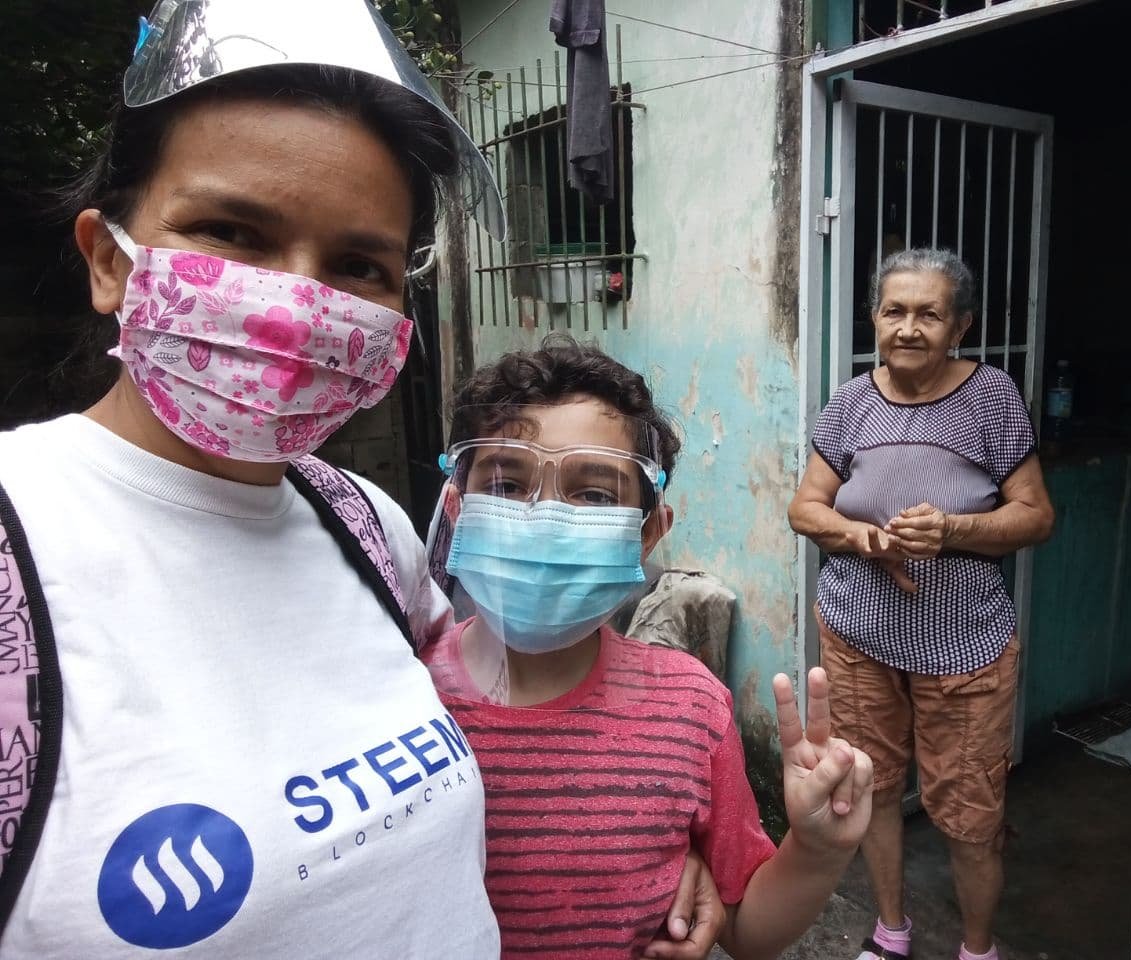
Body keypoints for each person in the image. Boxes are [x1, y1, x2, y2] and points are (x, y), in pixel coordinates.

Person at [0, 2, 718, 955]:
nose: (298, 299)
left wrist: (664, 845)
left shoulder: (369, 527)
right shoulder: (21, 549)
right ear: (108, 260)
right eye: (232, 230)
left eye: (358, 264)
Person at [422, 337, 875, 960]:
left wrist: (817, 851)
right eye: (505, 483)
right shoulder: (400, 703)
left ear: (649, 533)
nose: (545, 518)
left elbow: (746, 930)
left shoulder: (690, 708)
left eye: (594, 494)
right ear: (456, 507)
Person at [788, 248, 1055, 960]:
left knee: (969, 815)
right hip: (856, 636)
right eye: (895, 311)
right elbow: (806, 510)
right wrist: (867, 539)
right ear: (874, 318)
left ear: (960, 325)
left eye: (929, 314)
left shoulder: (991, 398)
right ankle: (890, 932)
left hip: (963, 650)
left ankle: (976, 948)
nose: (909, 327)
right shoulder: (849, 404)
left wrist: (955, 529)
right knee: (869, 786)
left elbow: (1035, 517)